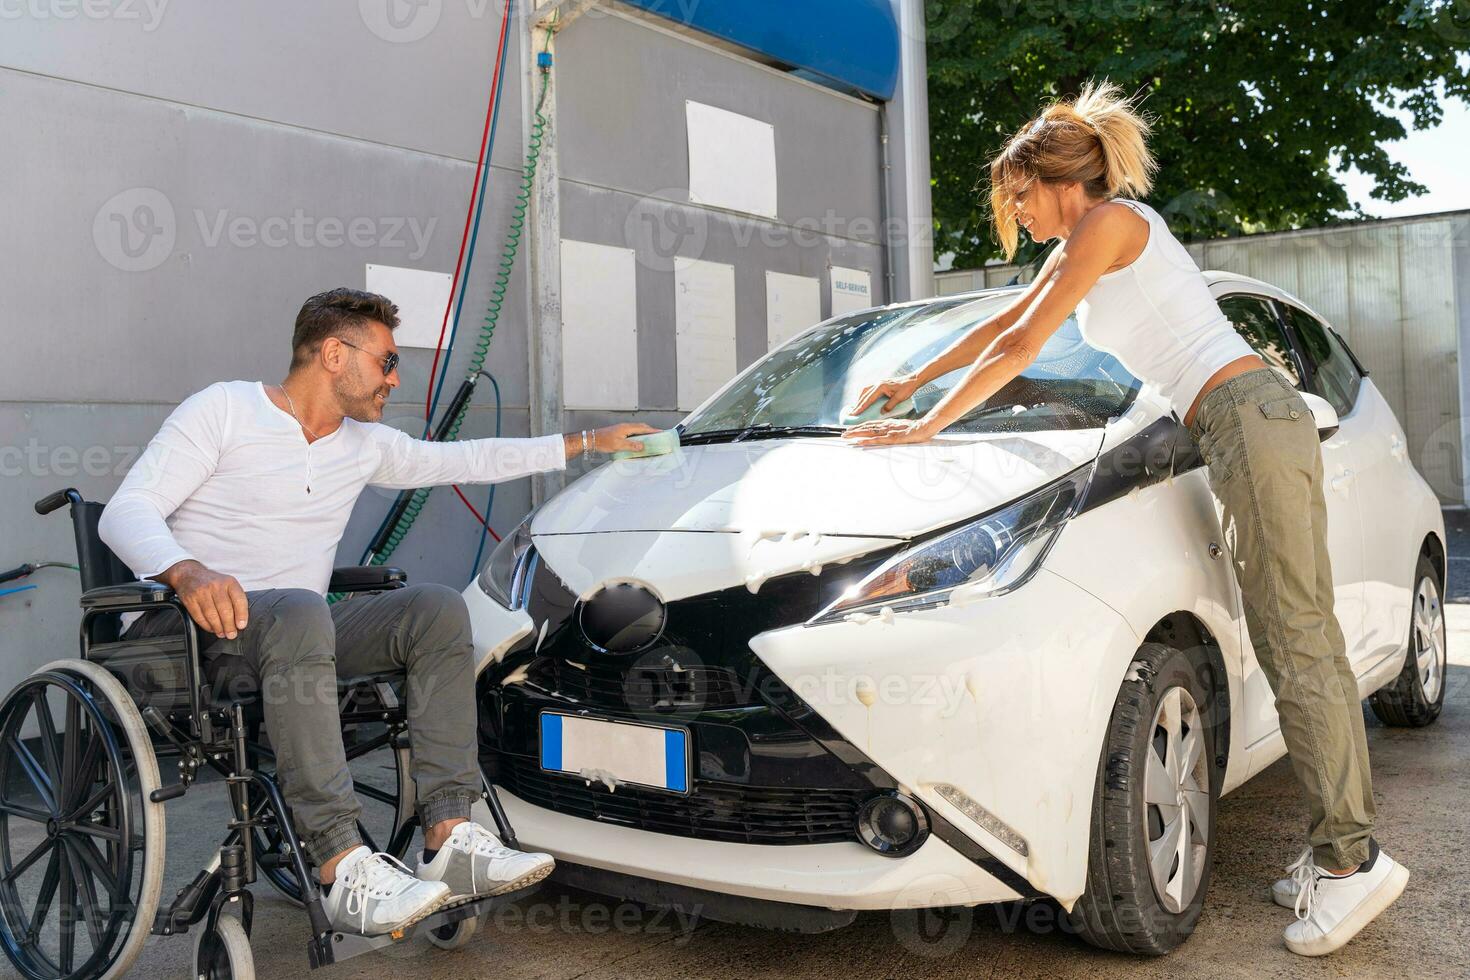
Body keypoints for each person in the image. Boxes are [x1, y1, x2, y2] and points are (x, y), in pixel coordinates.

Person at [841, 81, 1407, 957]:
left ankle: (1351, 864)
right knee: (1300, 633)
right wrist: (912, 382)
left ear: (1050, 179)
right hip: (1239, 425)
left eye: (1016, 199)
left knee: (1295, 636)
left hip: (1246, 417)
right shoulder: (1087, 240)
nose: (1016, 218)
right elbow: (1006, 327)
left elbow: (1024, 350)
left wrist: (923, 427)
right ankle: (1342, 848)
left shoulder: (1108, 224)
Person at [99, 287, 658, 936]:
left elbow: (468, 459)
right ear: (335, 354)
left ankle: (448, 837)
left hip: (297, 634)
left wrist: (589, 440)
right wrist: (186, 570)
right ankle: (340, 865)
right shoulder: (224, 411)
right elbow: (126, 512)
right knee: (304, 611)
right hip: (197, 634)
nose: (395, 379)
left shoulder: (363, 444)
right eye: (387, 361)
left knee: (435, 609)